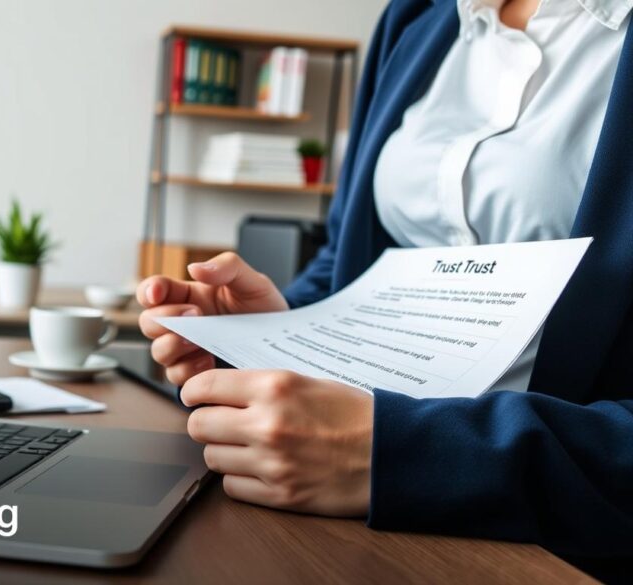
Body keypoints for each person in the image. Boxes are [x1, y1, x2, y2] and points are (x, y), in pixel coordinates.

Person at [137, 0, 633, 578]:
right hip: (345, 521)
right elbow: (347, 255)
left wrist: (403, 455)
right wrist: (275, 336)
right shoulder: (415, 17)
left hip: (554, 549)